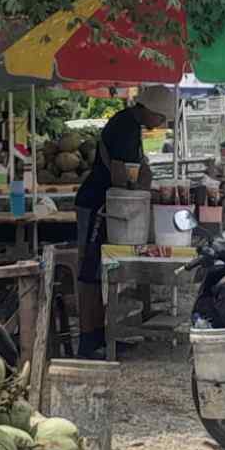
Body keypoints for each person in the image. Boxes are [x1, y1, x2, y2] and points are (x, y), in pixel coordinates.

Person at [73, 85, 175, 359]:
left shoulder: (128, 124)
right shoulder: (125, 127)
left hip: (109, 204)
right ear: (151, 110)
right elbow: (122, 175)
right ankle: (88, 341)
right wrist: (142, 189)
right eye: (161, 118)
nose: (161, 124)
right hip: (97, 204)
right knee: (90, 272)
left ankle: (104, 337)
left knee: (102, 271)